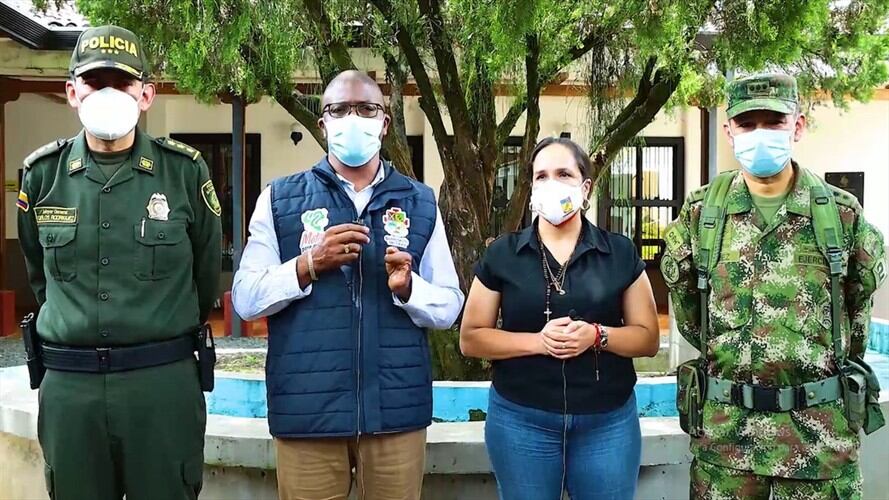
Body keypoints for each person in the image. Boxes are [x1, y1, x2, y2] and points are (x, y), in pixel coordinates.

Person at [231, 70, 464, 500]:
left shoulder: (419, 201)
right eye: (339, 109)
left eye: (366, 109)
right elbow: (246, 298)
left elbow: (450, 305)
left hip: (394, 414)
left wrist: (409, 288)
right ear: (323, 124)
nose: (352, 118)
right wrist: (308, 264)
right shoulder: (280, 199)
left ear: (385, 123)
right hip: (308, 413)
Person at [16, 25, 222, 499]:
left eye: (122, 82)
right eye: (94, 82)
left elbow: (205, 274)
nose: (107, 93)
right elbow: (38, 276)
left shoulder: (184, 172)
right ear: (72, 93)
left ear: (146, 94)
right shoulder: (42, 175)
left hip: (161, 385)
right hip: (70, 390)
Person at [663, 73, 886, 499]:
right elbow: (692, 316)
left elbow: (855, 313)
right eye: (747, 124)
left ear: (797, 126)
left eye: (774, 122)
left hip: (818, 444)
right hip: (727, 446)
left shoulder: (840, 216)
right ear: (729, 131)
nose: (760, 134)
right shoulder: (701, 215)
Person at [460, 137, 660, 500]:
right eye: (541, 176)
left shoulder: (619, 253)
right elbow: (471, 337)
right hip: (521, 420)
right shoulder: (503, 255)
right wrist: (538, 342)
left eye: (564, 174)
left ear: (586, 188)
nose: (551, 183)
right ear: (531, 188)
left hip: (607, 422)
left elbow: (647, 338)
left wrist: (597, 336)